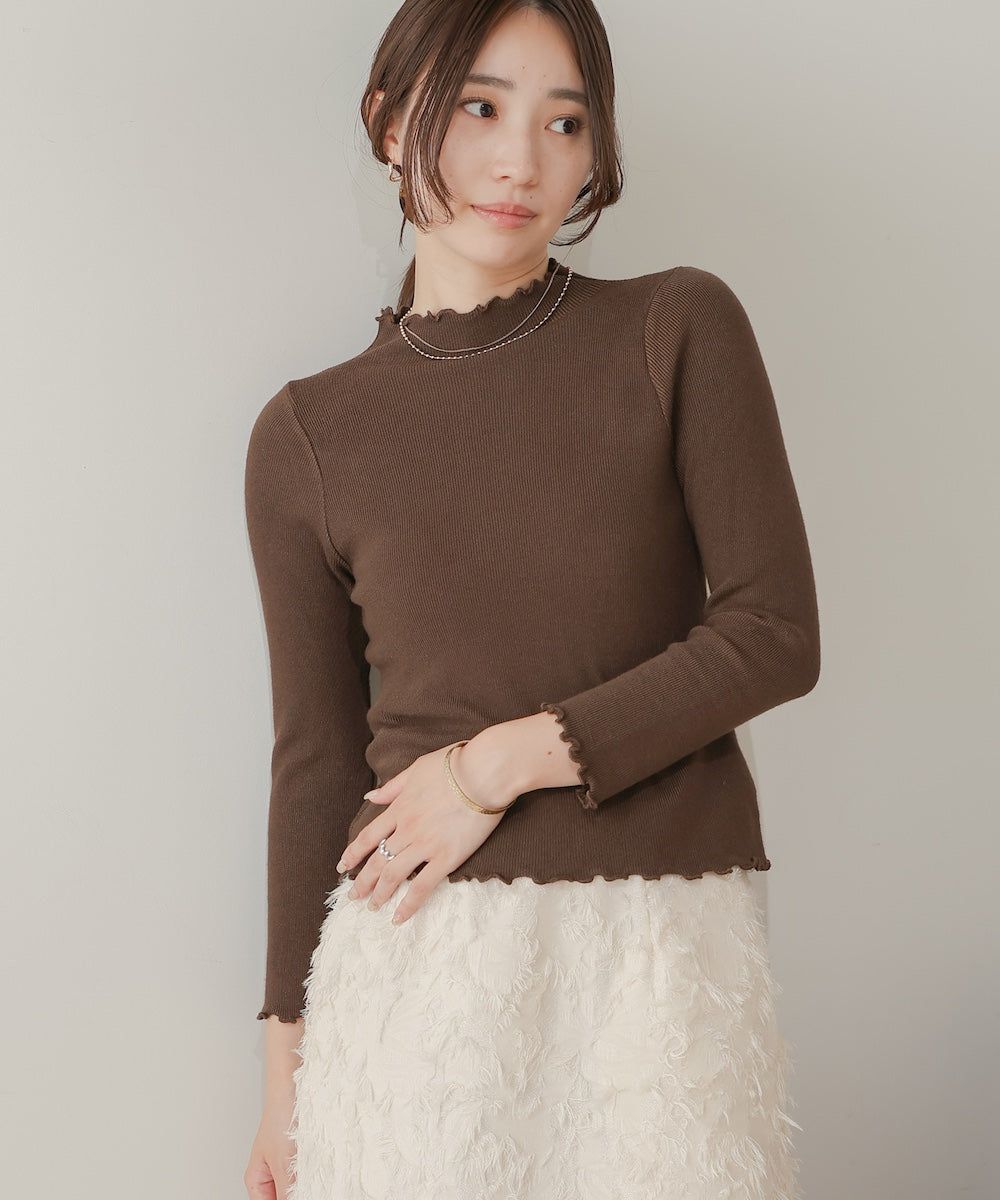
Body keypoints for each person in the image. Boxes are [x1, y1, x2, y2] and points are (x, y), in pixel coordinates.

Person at [243, 2, 820, 1198]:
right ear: (387, 120)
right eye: (479, 108)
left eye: (564, 122)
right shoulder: (307, 435)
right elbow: (314, 764)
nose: (521, 161)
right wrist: (285, 1083)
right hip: (414, 969)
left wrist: (493, 766)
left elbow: (772, 633)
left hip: (656, 968)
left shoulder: (674, 327)